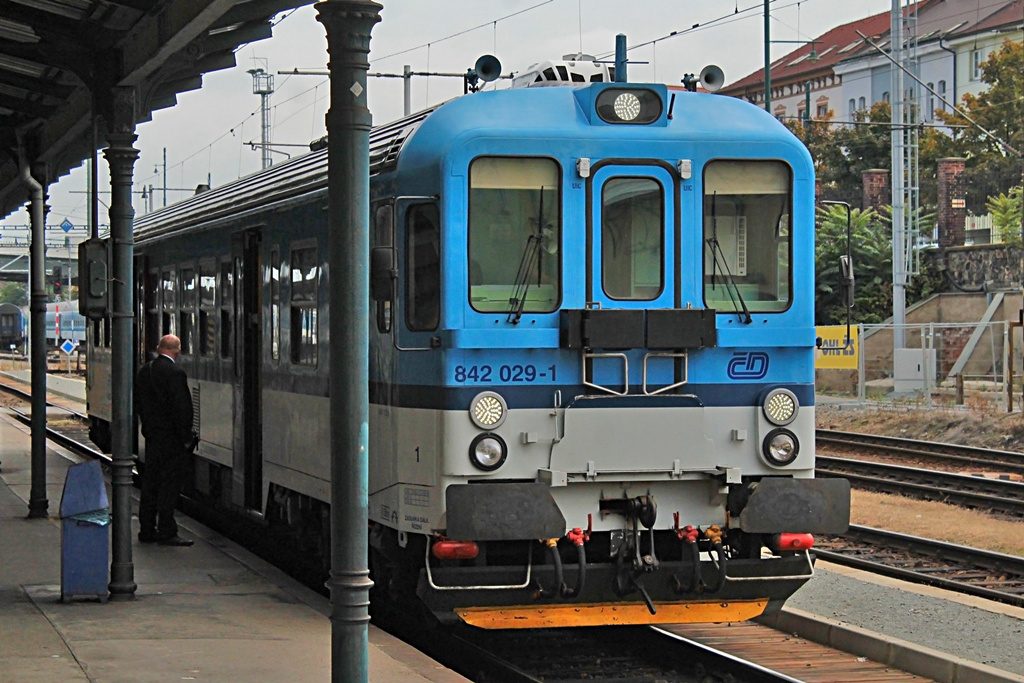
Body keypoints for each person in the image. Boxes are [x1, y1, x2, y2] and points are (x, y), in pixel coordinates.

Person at [134, 334, 196, 546]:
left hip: (152, 438)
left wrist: (148, 430)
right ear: (177, 351)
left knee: (150, 484)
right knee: (169, 486)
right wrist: (186, 437)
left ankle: (147, 529)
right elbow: (183, 410)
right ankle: (167, 530)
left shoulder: (145, 371)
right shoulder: (176, 374)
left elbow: (139, 404)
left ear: (159, 348)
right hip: (172, 441)